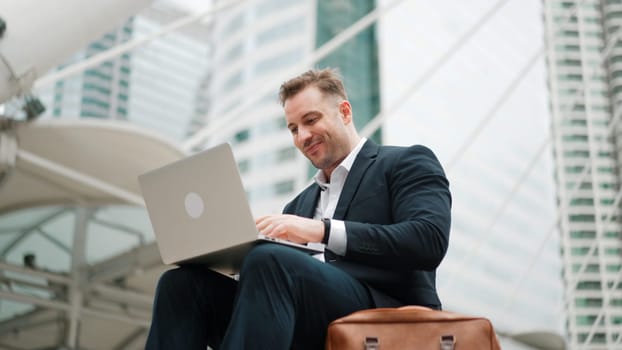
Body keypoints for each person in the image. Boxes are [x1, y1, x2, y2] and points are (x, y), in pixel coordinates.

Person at [145, 68, 452, 350]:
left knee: (271, 260)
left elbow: (428, 240)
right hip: (299, 317)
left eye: (311, 120)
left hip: (382, 312)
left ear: (344, 112)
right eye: (293, 128)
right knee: (181, 285)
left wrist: (321, 230)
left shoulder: (405, 163)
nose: (303, 136)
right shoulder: (299, 204)